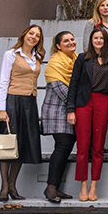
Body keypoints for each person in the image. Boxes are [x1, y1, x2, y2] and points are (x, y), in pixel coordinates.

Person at [65, 29, 108, 202]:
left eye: (101, 38)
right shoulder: (82, 59)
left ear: (106, 41)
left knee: (98, 147)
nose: (98, 40)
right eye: (96, 38)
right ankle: (83, 185)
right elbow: (73, 84)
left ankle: (94, 186)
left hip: (103, 103)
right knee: (82, 146)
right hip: (83, 103)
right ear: (91, 40)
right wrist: (70, 109)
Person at [0, 25, 45, 201]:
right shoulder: (11, 55)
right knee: (8, 144)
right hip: (12, 101)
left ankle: (13, 185)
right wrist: (2, 108)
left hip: (29, 102)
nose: (33, 37)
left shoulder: (37, 57)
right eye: (31, 33)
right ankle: (4, 185)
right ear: (24, 35)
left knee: (22, 144)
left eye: (37, 35)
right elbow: (3, 81)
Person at [40, 31, 78, 204]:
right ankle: (50, 187)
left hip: (70, 111)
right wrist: (81, 102)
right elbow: (62, 91)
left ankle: (55, 186)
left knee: (66, 146)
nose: (70, 42)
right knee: (63, 146)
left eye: (72, 39)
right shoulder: (55, 63)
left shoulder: (75, 60)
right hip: (57, 112)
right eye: (66, 41)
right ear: (58, 45)